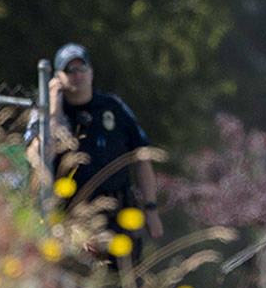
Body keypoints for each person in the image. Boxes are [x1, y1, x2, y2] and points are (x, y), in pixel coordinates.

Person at [25, 42, 164, 250]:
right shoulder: (46, 113)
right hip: (71, 221)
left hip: (119, 217)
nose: (77, 74)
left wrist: (151, 209)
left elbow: (142, 157)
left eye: (82, 67)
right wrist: (54, 111)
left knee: (125, 270)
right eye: (69, 69)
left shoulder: (113, 107)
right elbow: (37, 157)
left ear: (91, 72)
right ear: (57, 78)